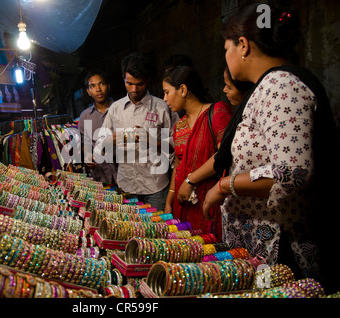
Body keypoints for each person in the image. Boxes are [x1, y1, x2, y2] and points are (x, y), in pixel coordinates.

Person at [203, 4, 339, 292]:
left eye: (226, 49)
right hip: (263, 245)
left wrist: (226, 185)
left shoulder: (280, 85)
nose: (225, 58)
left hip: (281, 248)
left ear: (242, 45)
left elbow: (293, 170)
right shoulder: (266, 87)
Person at [94, 52, 179, 211]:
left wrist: (153, 142)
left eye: (139, 84)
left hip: (156, 186)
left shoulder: (162, 107)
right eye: (129, 83)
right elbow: (100, 146)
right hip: (127, 185)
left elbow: (178, 144)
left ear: (148, 80)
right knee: (131, 232)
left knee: (159, 231)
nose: (134, 89)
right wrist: (110, 139)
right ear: (123, 78)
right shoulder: (115, 109)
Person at [163, 66, 232, 240]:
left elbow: (223, 153)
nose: (165, 99)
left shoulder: (217, 112)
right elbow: (179, 164)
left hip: (210, 200)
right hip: (184, 204)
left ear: (183, 90)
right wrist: (169, 201)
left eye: (167, 92)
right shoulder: (179, 126)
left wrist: (190, 180)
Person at [78, 70, 117, 184]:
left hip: (125, 172)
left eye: (102, 84)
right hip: (101, 176)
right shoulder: (85, 116)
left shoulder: (120, 110)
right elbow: (86, 143)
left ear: (108, 86)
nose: (98, 89)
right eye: (93, 86)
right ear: (88, 91)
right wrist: (88, 156)